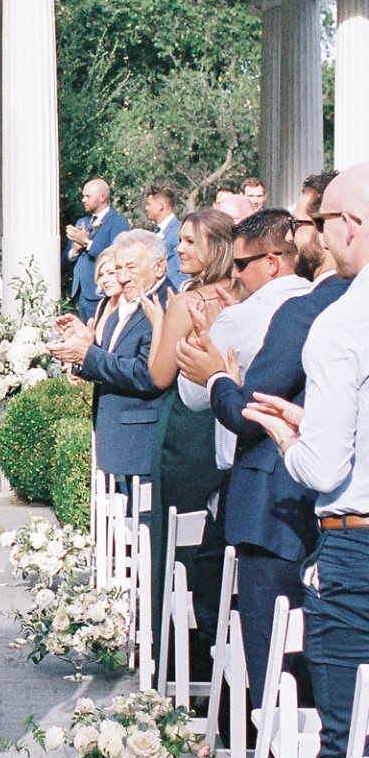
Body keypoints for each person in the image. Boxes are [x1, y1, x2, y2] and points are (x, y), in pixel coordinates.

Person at [243, 162, 369, 758]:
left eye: (324, 225)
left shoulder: (343, 324)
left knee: (352, 748)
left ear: (349, 225)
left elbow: (322, 469)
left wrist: (290, 437)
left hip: (357, 550)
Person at [175, 209, 310, 655]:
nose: (235, 276)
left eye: (241, 265)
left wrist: (216, 372)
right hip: (314, 488)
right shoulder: (319, 302)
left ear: (271, 263)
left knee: (229, 605)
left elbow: (196, 398)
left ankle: (237, 711)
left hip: (256, 484)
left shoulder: (243, 317)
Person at [141, 209, 235, 648]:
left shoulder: (186, 303)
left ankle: (180, 655)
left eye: (190, 242)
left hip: (189, 434)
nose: (179, 248)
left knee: (178, 546)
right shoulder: (242, 297)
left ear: (216, 248)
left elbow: (159, 375)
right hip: (230, 425)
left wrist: (160, 324)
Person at [51, 229, 169, 492]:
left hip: (142, 445)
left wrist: (88, 353)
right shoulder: (125, 304)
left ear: (159, 267)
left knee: (142, 528)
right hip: (117, 440)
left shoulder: (165, 305)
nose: (123, 277)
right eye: (118, 268)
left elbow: (146, 374)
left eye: (131, 268)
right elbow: (110, 361)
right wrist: (82, 350)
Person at [64, 179, 129, 322]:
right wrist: (75, 249)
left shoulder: (118, 222)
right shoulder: (81, 221)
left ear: (102, 197)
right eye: (83, 195)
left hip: (102, 292)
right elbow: (65, 259)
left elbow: (116, 256)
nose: (83, 200)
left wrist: (87, 242)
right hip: (79, 293)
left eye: (88, 196)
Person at [144, 184, 183, 291]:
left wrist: (172, 295)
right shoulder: (157, 231)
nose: (146, 208)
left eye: (149, 204)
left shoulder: (178, 231)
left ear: (161, 206)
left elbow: (183, 272)